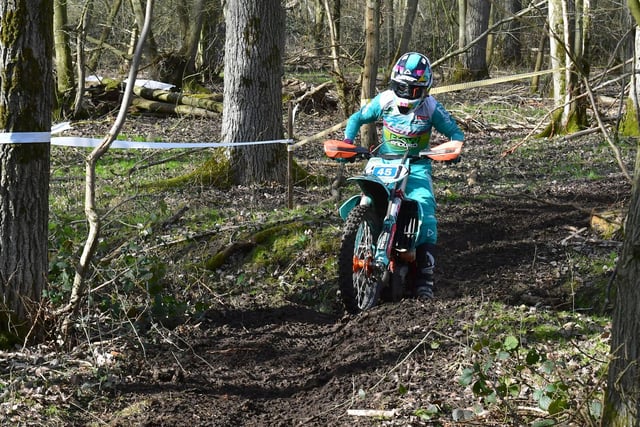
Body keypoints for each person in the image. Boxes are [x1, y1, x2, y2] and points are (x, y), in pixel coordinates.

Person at [342, 52, 464, 299]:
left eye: (414, 90)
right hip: (383, 161)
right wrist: (348, 142)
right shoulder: (385, 100)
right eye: (402, 88)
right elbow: (357, 117)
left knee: (426, 211)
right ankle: (354, 257)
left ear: (425, 89)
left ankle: (424, 281)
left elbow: (456, 135)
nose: (407, 95)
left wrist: (442, 152)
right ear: (393, 84)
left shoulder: (431, 107)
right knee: (368, 198)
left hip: (417, 165)